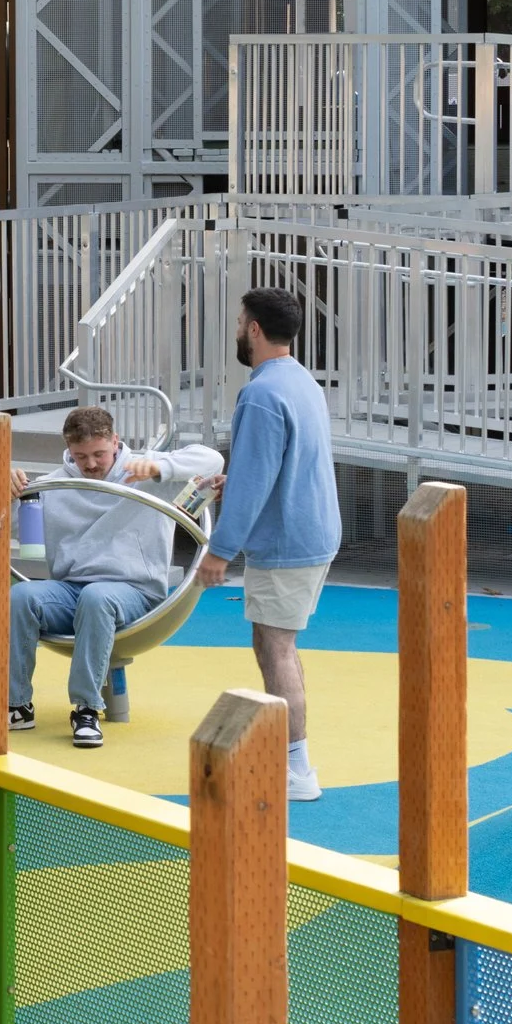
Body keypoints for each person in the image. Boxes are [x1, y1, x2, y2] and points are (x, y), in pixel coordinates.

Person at [197, 287, 340, 802]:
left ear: (254, 329)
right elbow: (280, 462)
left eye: (240, 321)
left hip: (286, 539)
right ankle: (292, 758)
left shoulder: (260, 393)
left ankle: (296, 767)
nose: (237, 329)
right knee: (281, 644)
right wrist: (234, 481)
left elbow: (258, 477)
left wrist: (220, 550)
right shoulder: (302, 381)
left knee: (274, 648)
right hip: (312, 531)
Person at [8, 407, 222, 748]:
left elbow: (212, 460)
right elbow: (11, 526)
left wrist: (161, 468)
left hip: (133, 590)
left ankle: (86, 709)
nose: (90, 464)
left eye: (98, 454)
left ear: (116, 442)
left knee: (99, 598)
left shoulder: (144, 471)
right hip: (71, 590)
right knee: (20, 597)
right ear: (68, 450)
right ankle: (16, 703)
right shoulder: (54, 485)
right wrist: (7, 495)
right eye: (80, 456)